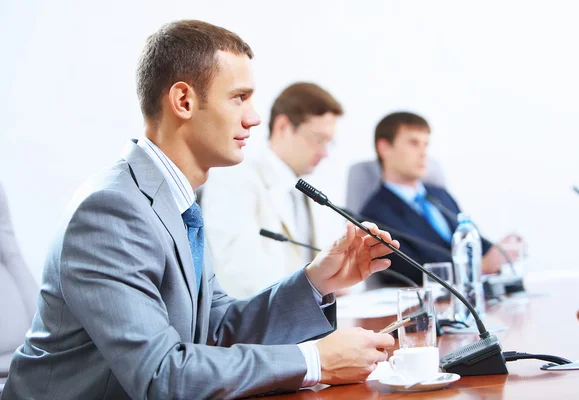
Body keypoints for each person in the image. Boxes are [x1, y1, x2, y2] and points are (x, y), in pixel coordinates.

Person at [1, 20, 399, 400]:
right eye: (239, 97)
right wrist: (315, 361)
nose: (254, 117)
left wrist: (315, 282)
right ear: (184, 101)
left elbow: (215, 328)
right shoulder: (110, 212)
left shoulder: (177, 201)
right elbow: (161, 374)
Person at [201, 82, 345, 297]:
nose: (325, 153)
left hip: (314, 317)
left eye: (329, 142)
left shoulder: (313, 188)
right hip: (264, 322)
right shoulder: (234, 178)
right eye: (318, 140)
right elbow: (241, 279)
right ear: (282, 127)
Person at [360, 111, 523, 286]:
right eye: (413, 143)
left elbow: (470, 240)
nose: (423, 153)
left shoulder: (440, 195)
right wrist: (478, 267)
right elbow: (412, 270)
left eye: (426, 144)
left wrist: (501, 251)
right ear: (384, 147)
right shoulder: (373, 215)